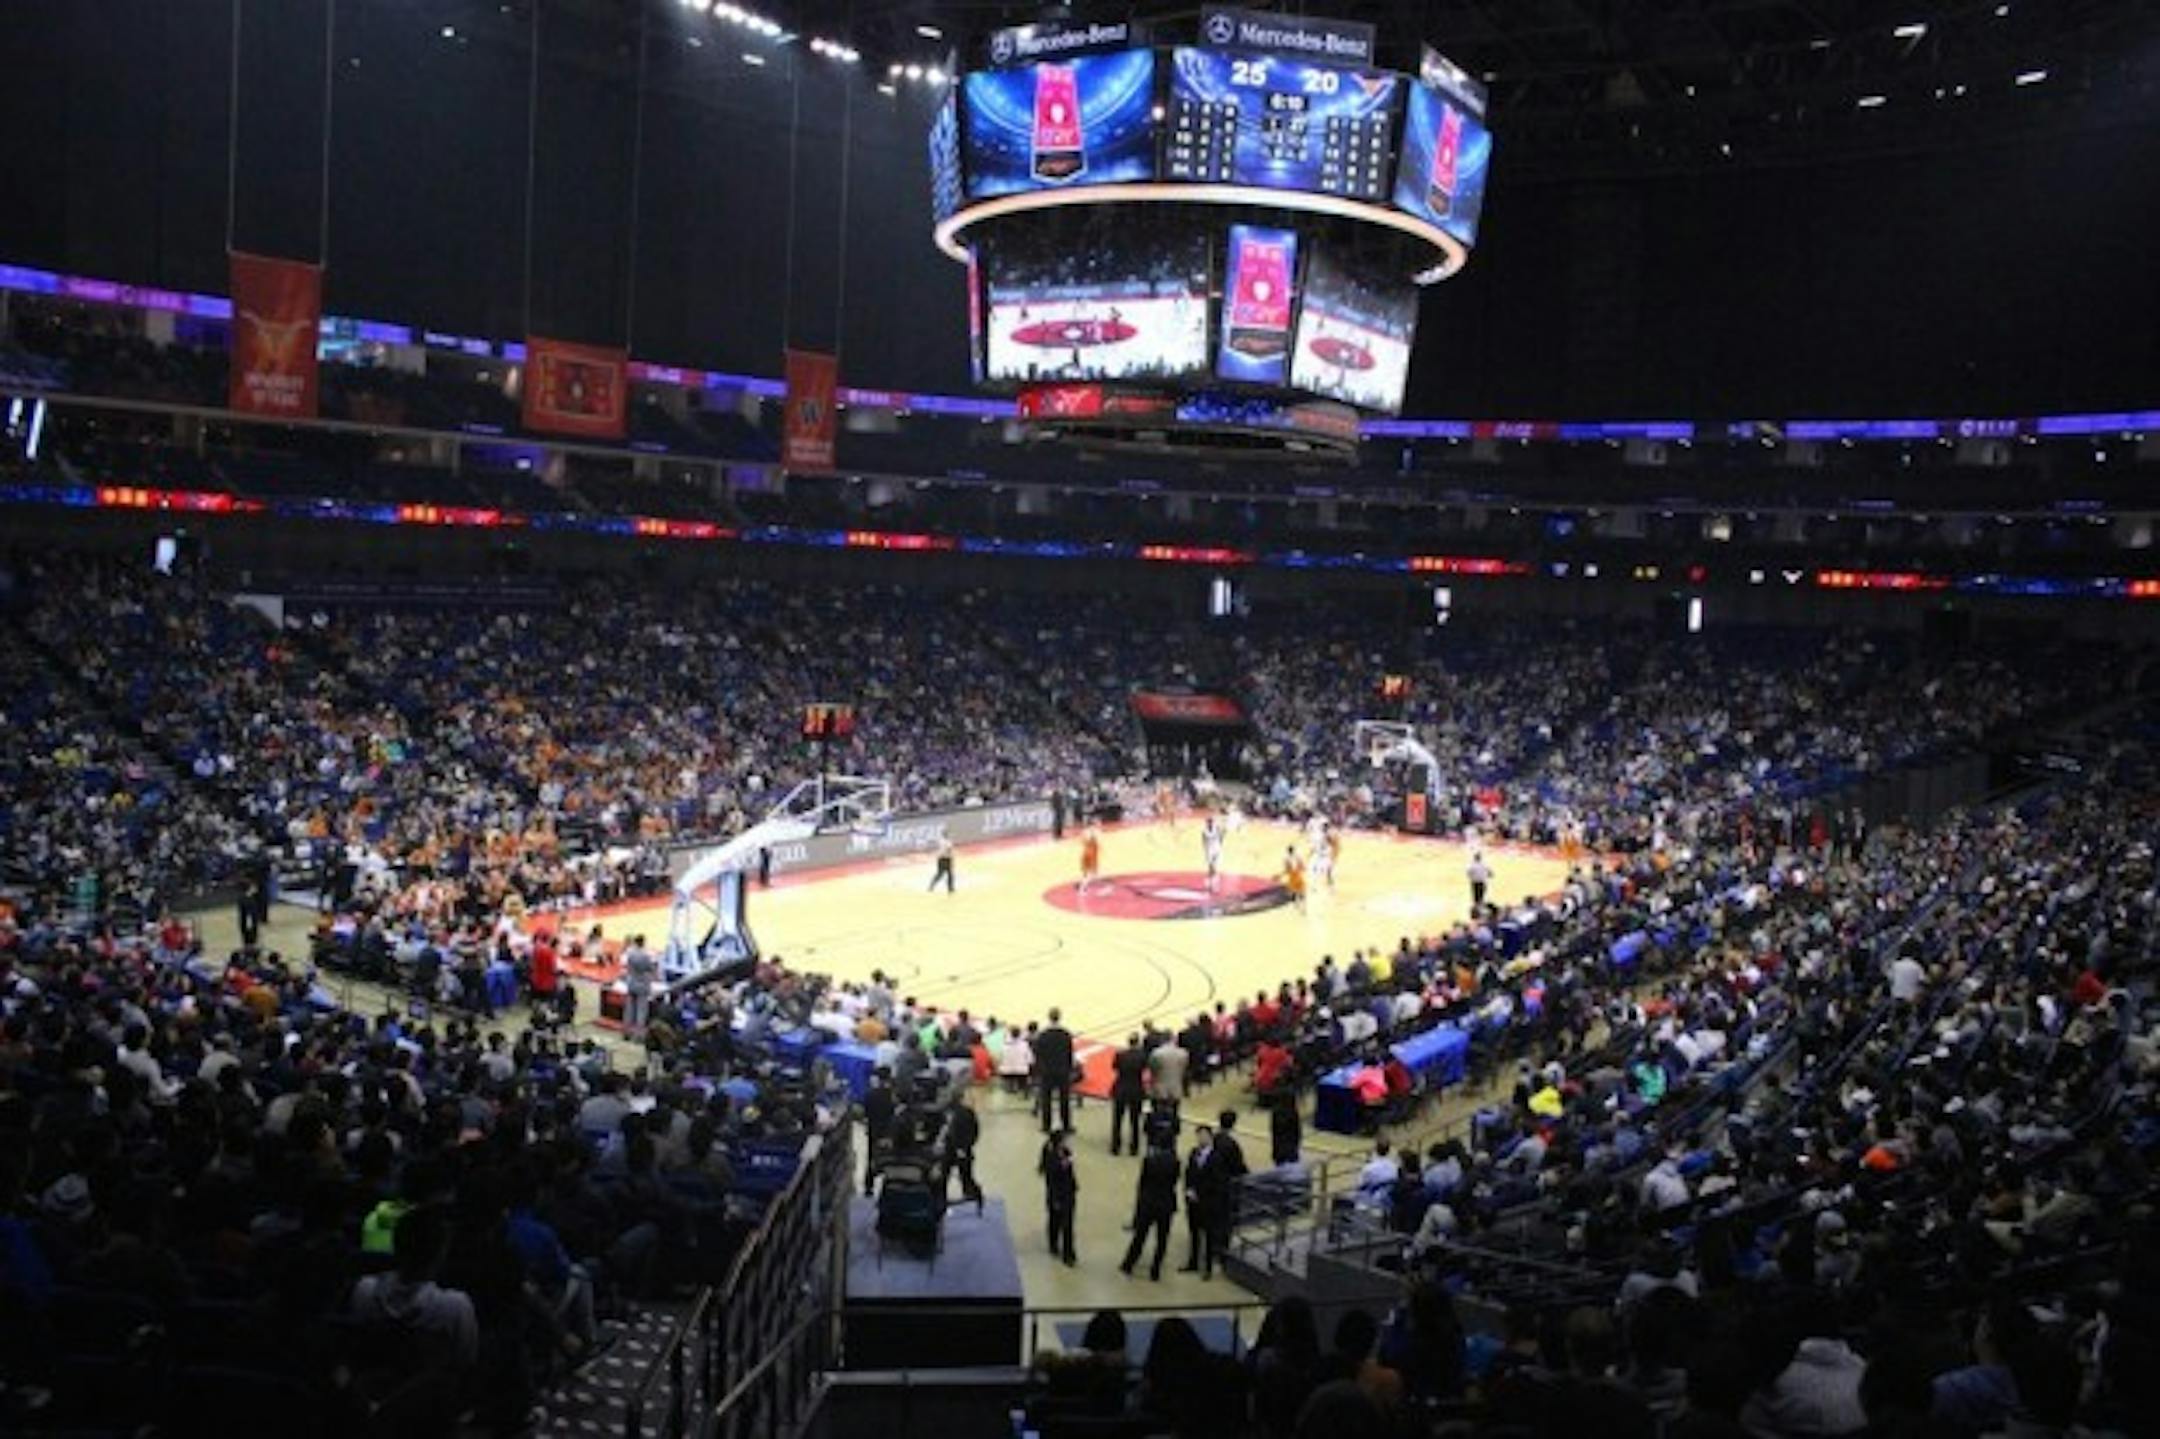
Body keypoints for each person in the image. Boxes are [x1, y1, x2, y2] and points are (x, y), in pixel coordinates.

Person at [1120, 1137, 1180, 1280]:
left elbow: (1143, 1183)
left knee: (1140, 1235)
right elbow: (1174, 1181)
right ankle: (1155, 1271)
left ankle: (1128, 1264)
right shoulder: (1175, 1162)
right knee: (1162, 1239)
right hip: (1166, 1203)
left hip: (1149, 1202)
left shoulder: (1149, 1161)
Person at [1040, 1129, 1079, 1266]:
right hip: (1057, 1195)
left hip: (1068, 1193)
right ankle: (1054, 1244)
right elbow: (1051, 1181)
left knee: (1067, 1224)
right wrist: (1055, 1199)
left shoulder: (1066, 1152)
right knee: (1055, 1221)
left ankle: (1068, 1253)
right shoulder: (1051, 1157)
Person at [941, 1090, 984, 1213]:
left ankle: (974, 1196)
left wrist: (965, 1147)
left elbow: (974, 1131)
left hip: (961, 1149)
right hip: (949, 1150)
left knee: (966, 1177)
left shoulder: (966, 1113)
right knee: (944, 1177)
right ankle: (941, 1199)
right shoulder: (943, 1111)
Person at [1181, 1124, 1216, 1274]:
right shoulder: (1193, 1153)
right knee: (1194, 1233)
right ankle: (1193, 1262)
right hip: (1193, 1201)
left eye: (1204, 1135)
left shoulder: (1216, 1157)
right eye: (1199, 1135)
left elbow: (1216, 1181)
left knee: (1208, 1235)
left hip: (1208, 1202)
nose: (1201, 1138)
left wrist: (1200, 1193)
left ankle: (1207, 1267)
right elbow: (1188, 1173)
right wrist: (1188, 1190)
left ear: (1210, 1137)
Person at [1035, 1008, 1075, 1134]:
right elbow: (1070, 1053)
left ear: (1049, 1017)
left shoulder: (1043, 1035)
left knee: (1046, 1099)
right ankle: (1066, 1125)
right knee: (1064, 1099)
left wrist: (1040, 1069)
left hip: (1047, 1071)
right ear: (1059, 1017)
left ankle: (1046, 1125)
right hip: (1062, 1071)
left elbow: (1038, 1054)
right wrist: (1070, 1069)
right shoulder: (1066, 1035)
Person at [1110, 1033, 1148, 1155]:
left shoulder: (1120, 1054)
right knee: (1135, 1120)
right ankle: (1134, 1148)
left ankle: (1115, 1146)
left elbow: (1114, 1067)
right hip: (1136, 1089)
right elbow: (1145, 1068)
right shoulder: (1142, 1056)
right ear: (1138, 1042)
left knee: (1117, 1120)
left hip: (1121, 1088)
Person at [622, 934, 658, 1037]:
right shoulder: (646, 956)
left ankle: (626, 1031)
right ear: (643, 942)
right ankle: (638, 1034)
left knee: (629, 1009)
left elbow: (627, 966)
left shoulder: (630, 953)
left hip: (631, 982)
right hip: (642, 984)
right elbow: (651, 969)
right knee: (641, 1010)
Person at [1080, 823, 1102, 895]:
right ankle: (1082, 888)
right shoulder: (1095, 832)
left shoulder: (1084, 832)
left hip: (1085, 853)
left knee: (1086, 873)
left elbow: (1082, 842)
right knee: (1092, 874)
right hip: (1091, 854)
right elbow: (1097, 843)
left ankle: (1084, 886)